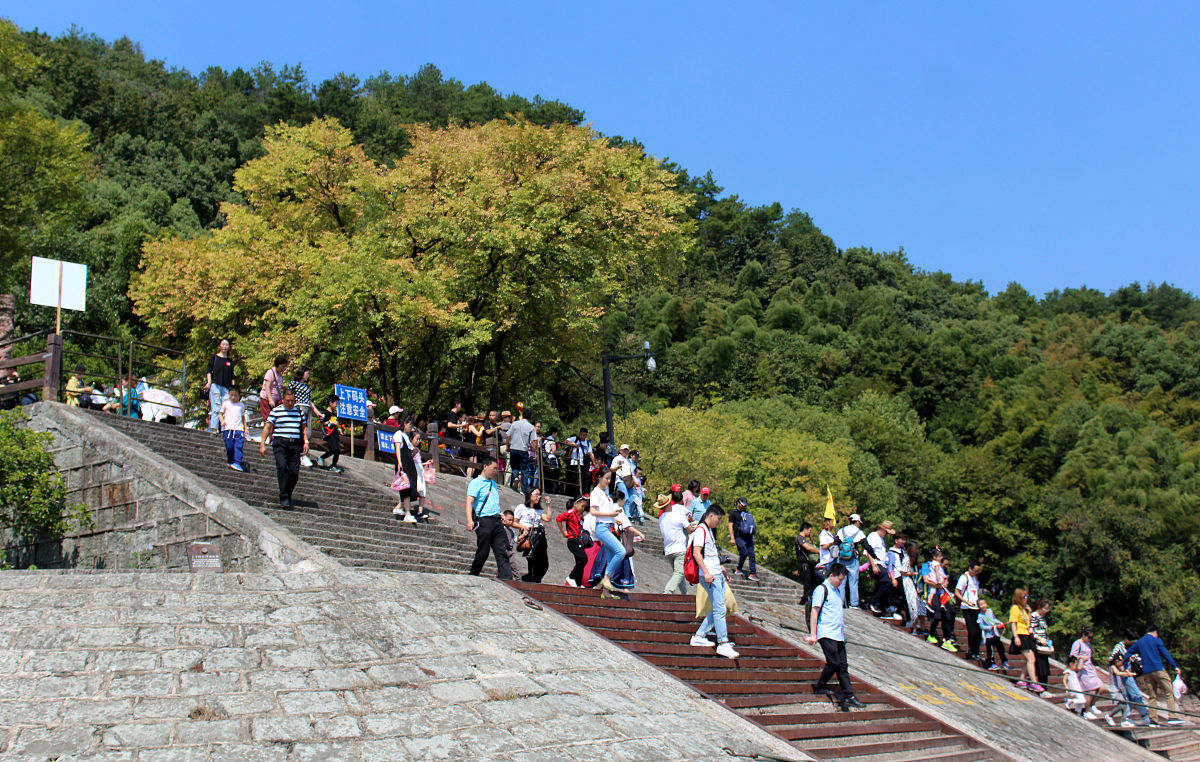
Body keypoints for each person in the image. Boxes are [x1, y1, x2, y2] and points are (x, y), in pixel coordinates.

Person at [806, 563, 867, 711]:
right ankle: (820, 685)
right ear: (831, 575)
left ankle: (849, 695)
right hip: (826, 632)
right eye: (839, 579)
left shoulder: (836, 591)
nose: (841, 582)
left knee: (842, 665)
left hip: (838, 634)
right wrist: (813, 634)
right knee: (833, 662)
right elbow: (814, 611)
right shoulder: (822, 589)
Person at [689, 505, 738, 659]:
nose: (719, 522)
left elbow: (711, 554)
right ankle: (722, 642)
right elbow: (696, 553)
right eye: (719, 518)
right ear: (711, 516)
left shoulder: (709, 531)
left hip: (716, 573)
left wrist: (722, 570)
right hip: (709, 575)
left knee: (719, 607)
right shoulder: (701, 530)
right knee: (719, 608)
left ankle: (699, 636)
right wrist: (706, 572)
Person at [258, 387, 307, 508]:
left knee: (294, 473)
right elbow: (267, 427)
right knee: (282, 467)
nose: (290, 403)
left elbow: (304, 428)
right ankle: (284, 497)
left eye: (293, 401)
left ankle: (287, 493)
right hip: (280, 443)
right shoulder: (276, 411)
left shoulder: (299, 411)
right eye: (288, 400)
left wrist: (306, 441)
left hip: (295, 444)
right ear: (283, 400)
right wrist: (262, 444)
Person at [1124, 625, 1184, 726]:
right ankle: (1172, 717)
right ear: (1155, 632)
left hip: (1147, 672)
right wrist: (1175, 666)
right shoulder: (1157, 641)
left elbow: (1127, 654)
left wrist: (1126, 666)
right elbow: (1165, 654)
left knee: (1152, 696)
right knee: (1169, 692)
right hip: (1158, 669)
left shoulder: (1140, 642)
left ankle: (1153, 720)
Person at [466, 456, 513, 580]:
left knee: (501, 551)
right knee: (483, 551)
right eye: (494, 468)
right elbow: (469, 502)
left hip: (497, 520)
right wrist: (470, 520)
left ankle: (507, 578)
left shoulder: (493, 483)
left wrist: (500, 514)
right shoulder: (476, 483)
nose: (495, 471)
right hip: (484, 520)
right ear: (485, 467)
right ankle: (473, 574)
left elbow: (493, 502)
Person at [588, 466, 626, 593]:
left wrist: (613, 519)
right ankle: (607, 578)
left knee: (611, 559)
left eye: (610, 478)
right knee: (621, 551)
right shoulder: (596, 492)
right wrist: (611, 515)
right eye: (606, 478)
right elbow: (593, 511)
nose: (608, 481)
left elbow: (606, 511)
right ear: (599, 478)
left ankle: (602, 588)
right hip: (602, 527)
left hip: (608, 526)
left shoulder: (605, 492)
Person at [1108, 627, 1152, 728]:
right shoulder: (1119, 647)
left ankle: (1126, 718)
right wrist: (1121, 668)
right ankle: (1145, 717)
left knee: (1130, 696)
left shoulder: (1134, 646)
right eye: (1131, 640)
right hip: (1125, 675)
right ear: (1126, 638)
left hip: (1132, 673)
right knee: (1136, 695)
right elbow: (1112, 660)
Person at [391, 416, 427, 523]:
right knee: (406, 488)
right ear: (405, 424)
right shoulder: (398, 434)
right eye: (410, 425)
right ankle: (407, 513)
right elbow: (398, 449)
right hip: (404, 463)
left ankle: (400, 509)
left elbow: (407, 452)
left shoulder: (405, 436)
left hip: (408, 462)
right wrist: (399, 462)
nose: (411, 428)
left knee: (407, 487)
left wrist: (413, 453)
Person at [921, 548, 956, 651]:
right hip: (933, 592)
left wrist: (944, 583)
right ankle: (931, 634)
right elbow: (926, 580)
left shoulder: (941, 567)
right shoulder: (927, 565)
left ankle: (947, 638)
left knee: (949, 613)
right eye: (940, 556)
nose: (942, 558)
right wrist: (937, 585)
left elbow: (944, 578)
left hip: (942, 594)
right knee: (938, 614)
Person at [515, 488, 553, 583]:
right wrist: (522, 526)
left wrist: (548, 505)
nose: (538, 497)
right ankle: (534, 581)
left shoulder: (538, 510)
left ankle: (529, 579)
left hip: (540, 536)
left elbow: (548, 518)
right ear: (529, 494)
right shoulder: (521, 507)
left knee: (544, 564)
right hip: (529, 536)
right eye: (536, 494)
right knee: (533, 562)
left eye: (539, 495)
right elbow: (514, 522)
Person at [659, 493, 692, 595]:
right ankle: (668, 591)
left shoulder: (661, 519)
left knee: (678, 573)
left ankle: (684, 593)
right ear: (669, 504)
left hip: (668, 549)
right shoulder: (677, 516)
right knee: (679, 572)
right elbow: (690, 529)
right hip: (679, 548)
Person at [834, 514, 867, 608]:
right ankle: (854, 604)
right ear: (856, 522)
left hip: (841, 559)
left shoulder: (842, 530)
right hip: (853, 559)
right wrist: (874, 555)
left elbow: (836, 542)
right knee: (853, 583)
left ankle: (839, 603)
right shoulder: (859, 532)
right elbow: (866, 545)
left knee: (841, 582)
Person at [556, 496, 589, 587]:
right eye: (582, 506)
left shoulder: (579, 516)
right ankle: (571, 576)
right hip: (572, 540)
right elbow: (559, 518)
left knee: (580, 561)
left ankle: (578, 582)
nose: (583, 509)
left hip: (578, 540)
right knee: (583, 558)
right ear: (575, 504)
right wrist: (563, 531)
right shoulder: (571, 512)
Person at [1068, 627, 1103, 715]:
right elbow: (1073, 656)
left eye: (1091, 637)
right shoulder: (1077, 643)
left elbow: (1089, 656)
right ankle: (1087, 710)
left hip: (1089, 668)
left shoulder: (1088, 644)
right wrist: (1082, 658)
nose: (1090, 639)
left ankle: (1092, 705)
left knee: (1101, 688)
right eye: (1089, 637)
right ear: (1084, 635)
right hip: (1082, 669)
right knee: (1090, 690)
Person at [1008, 588, 1037, 689]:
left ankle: (1022, 679)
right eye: (1024, 597)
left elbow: (1028, 621)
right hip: (1021, 634)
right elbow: (1013, 623)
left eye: (1027, 597)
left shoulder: (1023, 609)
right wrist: (1016, 637)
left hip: (1026, 634)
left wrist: (1029, 612)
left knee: (1031, 659)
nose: (1026, 599)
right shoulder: (1015, 608)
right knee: (1030, 659)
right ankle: (1034, 682)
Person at [955, 559, 984, 662]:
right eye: (975, 570)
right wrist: (966, 602)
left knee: (978, 631)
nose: (976, 572)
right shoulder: (964, 578)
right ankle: (971, 651)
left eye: (978, 571)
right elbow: (957, 592)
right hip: (967, 607)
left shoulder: (975, 578)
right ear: (970, 569)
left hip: (976, 607)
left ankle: (976, 652)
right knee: (972, 631)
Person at [204, 338, 235, 432]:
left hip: (226, 388)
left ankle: (224, 429)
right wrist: (209, 382)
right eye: (223, 344)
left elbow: (232, 376)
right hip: (215, 386)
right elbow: (209, 371)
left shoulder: (230, 361)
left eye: (227, 345)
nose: (225, 347)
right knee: (216, 408)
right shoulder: (215, 358)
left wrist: (234, 389)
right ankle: (214, 429)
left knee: (226, 409)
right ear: (219, 346)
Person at [289, 366, 317, 468]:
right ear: (302, 373)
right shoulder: (293, 384)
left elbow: (309, 401)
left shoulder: (307, 387)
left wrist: (316, 412)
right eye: (307, 373)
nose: (308, 375)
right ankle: (294, 454)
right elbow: (289, 396)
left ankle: (303, 455)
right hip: (297, 407)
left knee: (306, 432)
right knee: (296, 431)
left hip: (307, 409)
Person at [865, 520, 895, 615]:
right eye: (886, 533)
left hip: (881, 564)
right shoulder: (873, 536)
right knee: (886, 581)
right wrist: (873, 565)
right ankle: (875, 603)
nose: (886, 535)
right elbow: (869, 551)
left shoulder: (881, 539)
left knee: (883, 584)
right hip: (875, 564)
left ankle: (883, 605)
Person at [218, 386, 249, 471]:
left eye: (235, 395)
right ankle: (231, 460)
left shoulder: (241, 405)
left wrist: (245, 428)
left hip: (239, 429)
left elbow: (243, 417)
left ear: (239, 395)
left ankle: (237, 462)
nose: (233, 397)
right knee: (229, 446)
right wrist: (222, 421)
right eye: (231, 395)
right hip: (228, 429)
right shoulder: (226, 403)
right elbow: (220, 414)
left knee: (238, 446)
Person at [728, 497, 759, 582]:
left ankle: (753, 573)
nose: (744, 507)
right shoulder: (733, 513)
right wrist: (732, 538)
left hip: (748, 536)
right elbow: (730, 525)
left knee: (752, 554)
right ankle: (739, 568)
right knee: (744, 552)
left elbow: (751, 526)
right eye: (742, 505)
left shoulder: (748, 514)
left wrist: (753, 537)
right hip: (739, 536)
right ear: (738, 503)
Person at [506, 409, 537, 492]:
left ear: (522, 415)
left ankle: (515, 479)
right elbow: (533, 441)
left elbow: (508, 435)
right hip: (523, 450)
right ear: (530, 417)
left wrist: (508, 446)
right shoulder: (531, 427)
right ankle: (524, 489)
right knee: (524, 470)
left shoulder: (515, 424)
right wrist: (536, 452)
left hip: (513, 448)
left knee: (514, 466)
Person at [898, 540, 923, 633]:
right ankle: (912, 623)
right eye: (916, 549)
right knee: (912, 602)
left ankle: (914, 623)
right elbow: (903, 572)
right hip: (907, 582)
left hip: (914, 583)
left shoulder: (914, 560)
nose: (917, 551)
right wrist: (913, 573)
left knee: (915, 603)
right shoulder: (907, 558)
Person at [1029, 599, 1053, 693]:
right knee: (1040, 665)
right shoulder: (1034, 616)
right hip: (1038, 644)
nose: (1047, 611)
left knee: (1045, 666)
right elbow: (1032, 630)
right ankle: (1040, 686)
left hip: (1045, 644)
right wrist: (1039, 639)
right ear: (1040, 607)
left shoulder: (1043, 617)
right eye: (1045, 608)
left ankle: (1044, 686)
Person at [977, 599, 1008, 672]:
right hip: (989, 635)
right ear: (978, 607)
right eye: (981, 605)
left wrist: (999, 622)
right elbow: (981, 626)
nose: (983, 606)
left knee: (1000, 647)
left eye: (984, 604)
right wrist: (989, 627)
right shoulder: (980, 615)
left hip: (995, 633)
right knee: (990, 649)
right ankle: (991, 663)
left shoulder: (990, 611)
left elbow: (993, 619)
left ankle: (1004, 661)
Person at [794, 522, 820, 607]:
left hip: (808, 564)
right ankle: (806, 601)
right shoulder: (800, 538)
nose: (810, 533)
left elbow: (812, 545)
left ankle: (805, 600)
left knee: (811, 582)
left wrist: (812, 539)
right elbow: (808, 548)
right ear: (805, 529)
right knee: (808, 583)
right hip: (804, 564)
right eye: (809, 531)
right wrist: (819, 551)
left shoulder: (805, 539)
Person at [316, 394, 343, 472]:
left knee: (337, 450)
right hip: (329, 434)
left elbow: (335, 424)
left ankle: (333, 465)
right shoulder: (325, 413)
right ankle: (322, 458)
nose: (337, 405)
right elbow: (322, 423)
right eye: (336, 403)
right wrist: (330, 422)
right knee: (334, 449)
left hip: (335, 433)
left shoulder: (334, 414)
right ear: (330, 403)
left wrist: (339, 429)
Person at [258, 355, 289, 423]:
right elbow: (267, 387)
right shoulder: (270, 373)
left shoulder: (280, 374)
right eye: (282, 366)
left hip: (276, 400)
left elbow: (277, 385)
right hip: (267, 399)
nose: (284, 368)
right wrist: (270, 400)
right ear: (278, 365)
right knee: (269, 419)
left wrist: (286, 388)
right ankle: (270, 433)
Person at [541, 427, 562, 495]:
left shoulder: (545, 439)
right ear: (553, 433)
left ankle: (547, 490)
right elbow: (554, 451)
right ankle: (553, 491)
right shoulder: (551, 440)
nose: (556, 436)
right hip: (552, 460)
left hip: (546, 460)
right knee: (554, 477)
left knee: (547, 476)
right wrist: (562, 452)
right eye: (556, 434)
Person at [816, 516, 837, 581]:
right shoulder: (824, 533)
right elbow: (824, 546)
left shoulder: (829, 533)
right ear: (828, 522)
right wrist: (833, 543)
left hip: (831, 559)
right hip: (827, 561)